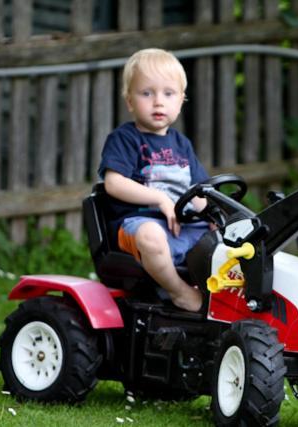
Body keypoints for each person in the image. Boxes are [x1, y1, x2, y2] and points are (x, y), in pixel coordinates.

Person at [98, 48, 208, 312]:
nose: (158, 102)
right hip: (139, 224)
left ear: (181, 100)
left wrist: (217, 217)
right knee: (152, 235)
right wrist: (160, 198)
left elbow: (201, 193)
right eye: (147, 93)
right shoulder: (125, 139)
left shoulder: (182, 144)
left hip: (185, 226)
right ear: (130, 101)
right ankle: (178, 291)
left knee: (229, 236)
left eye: (168, 94)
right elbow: (114, 183)